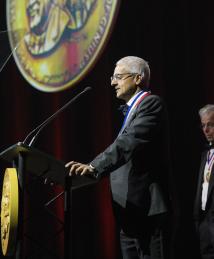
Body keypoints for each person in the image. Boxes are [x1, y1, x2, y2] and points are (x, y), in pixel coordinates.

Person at [66, 56, 171, 259]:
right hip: (129, 215)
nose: (113, 82)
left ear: (138, 78)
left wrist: (94, 166)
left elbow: (126, 144)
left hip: (148, 212)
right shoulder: (132, 110)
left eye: (118, 77)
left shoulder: (151, 104)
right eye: (112, 77)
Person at [194, 104, 214, 259]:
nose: (206, 130)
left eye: (211, 125)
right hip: (205, 226)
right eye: (203, 126)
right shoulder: (205, 153)